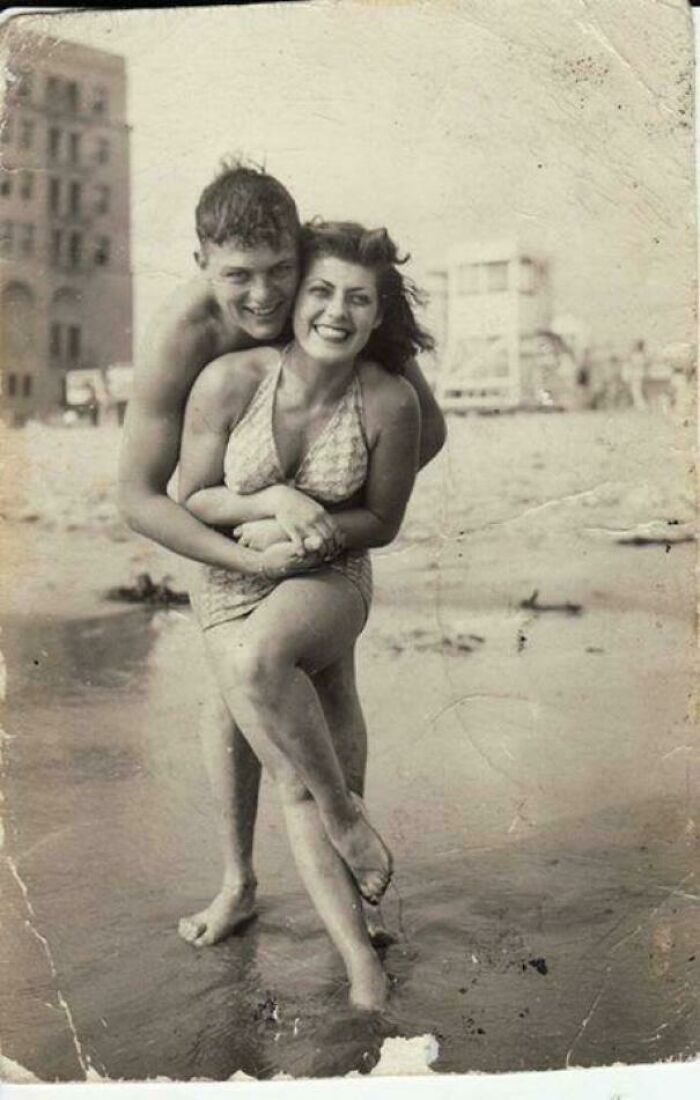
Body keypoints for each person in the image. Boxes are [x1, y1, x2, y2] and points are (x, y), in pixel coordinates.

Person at [118, 162, 446, 948]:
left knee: (333, 689)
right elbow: (139, 495)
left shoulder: (330, 297)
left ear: (299, 256)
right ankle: (238, 883)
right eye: (238, 277)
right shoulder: (187, 333)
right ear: (202, 263)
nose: (263, 297)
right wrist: (250, 546)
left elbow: (424, 432)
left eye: (278, 273)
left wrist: (323, 516)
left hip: (318, 530)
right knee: (233, 695)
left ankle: (353, 885)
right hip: (227, 524)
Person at [176, 219, 430, 1010]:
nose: (336, 311)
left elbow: (380, 521)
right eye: (320, 291)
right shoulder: (230, 380)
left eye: (359, 299)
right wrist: (276, 499)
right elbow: (192, 496)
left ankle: (348, 830)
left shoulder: (389, 399)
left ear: (379, 313)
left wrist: (304, 537)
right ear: (295, 299)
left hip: (328, 572)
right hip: (225, 579)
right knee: (288, 765)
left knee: (261, 672)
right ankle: (359, 952)